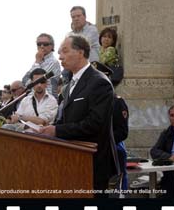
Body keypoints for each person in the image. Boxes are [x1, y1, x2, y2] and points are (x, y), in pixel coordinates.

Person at [39, 35, 117, 194]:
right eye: (60, 52)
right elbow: (65, 120)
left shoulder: (99, 82)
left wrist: (57, 131)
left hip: (92, 163)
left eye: (65, 51)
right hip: (71, 160)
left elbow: (95, 124)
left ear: (81, 52)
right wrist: (47, 129)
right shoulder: (69, 86)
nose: (60, 56)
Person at [92, 61, 129, 191]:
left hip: (113, 149)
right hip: (92, 150)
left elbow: (122, 132)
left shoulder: (117, 102)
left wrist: (103, 141)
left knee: (115, 187)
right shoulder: (91, 102)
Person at [22, 33, 61, 99]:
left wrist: (37, 62)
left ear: (52, 46)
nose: (42, 46)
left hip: (48, 100)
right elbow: (24, 80)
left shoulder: (54, 62)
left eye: (45, 44)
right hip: (34, 99)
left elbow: (33, 82)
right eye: (39, 44)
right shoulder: (39, 61)